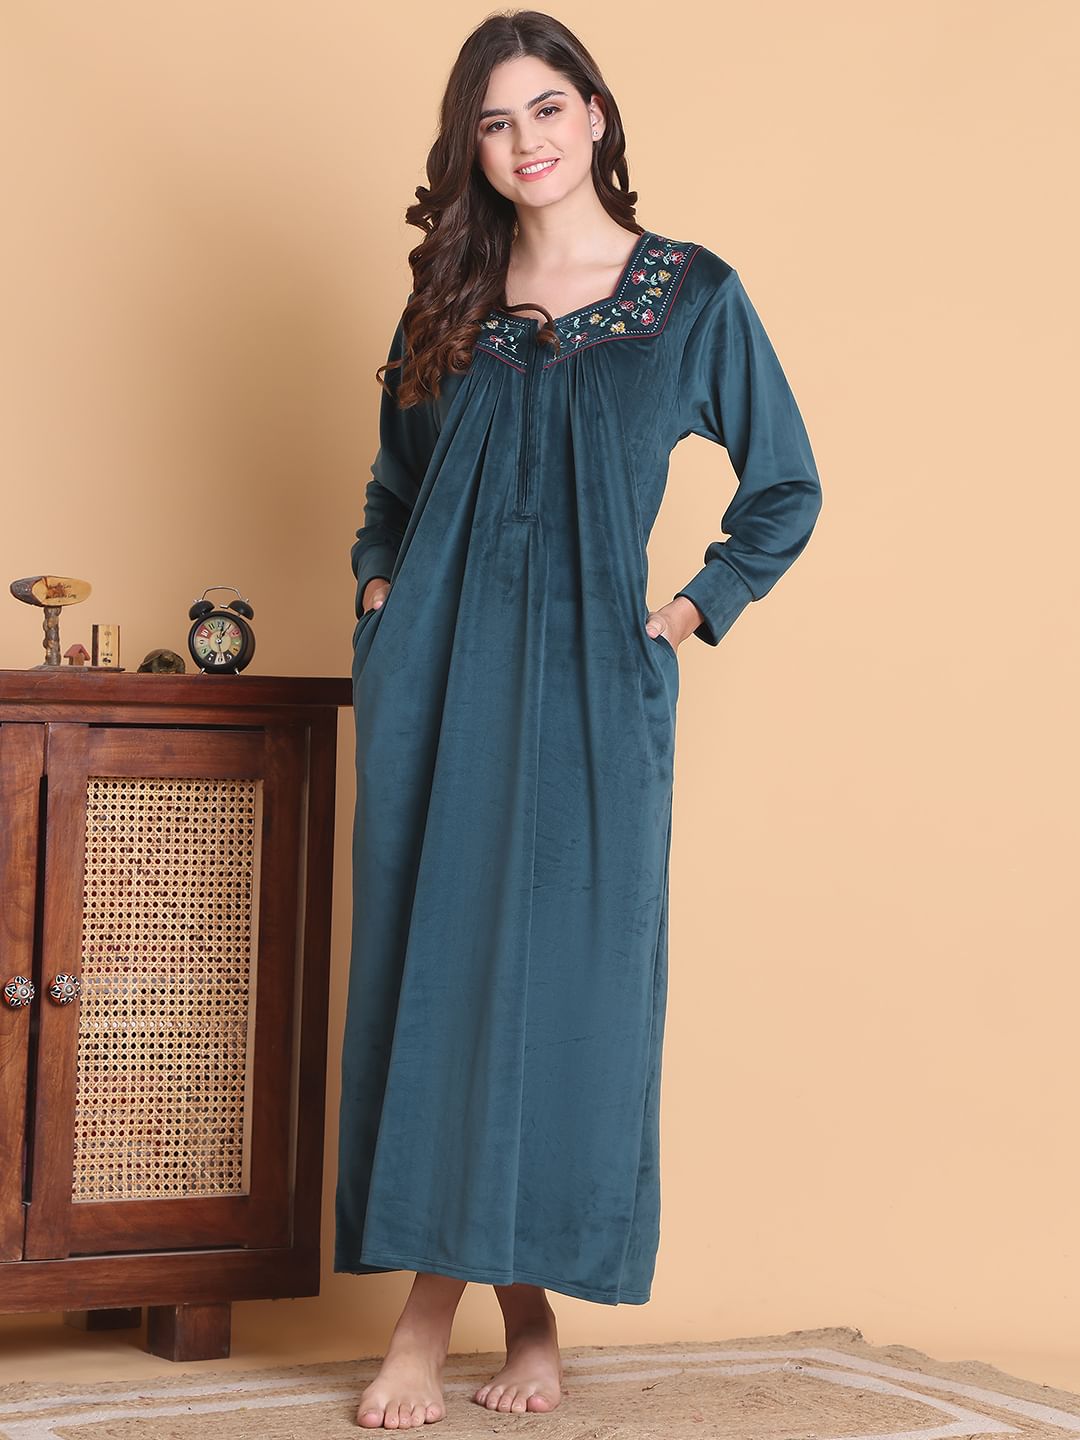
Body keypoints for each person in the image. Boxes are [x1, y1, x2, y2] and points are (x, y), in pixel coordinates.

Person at [334, 10, 822, 1429]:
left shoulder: (689, 295)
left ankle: (477, 1317)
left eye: (547, 108)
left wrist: (692, 609)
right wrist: (378, 589)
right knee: (436, 984)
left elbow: (785, 484)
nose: (525, 141)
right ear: (471, 148)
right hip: (438, 682)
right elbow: (390, 488)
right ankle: (484, 1321)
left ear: (595, 115)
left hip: (594, 696)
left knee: (564, 998)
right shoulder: (447, 300)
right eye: (494, 122)